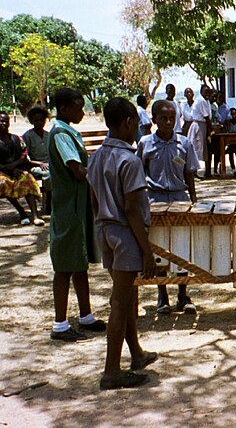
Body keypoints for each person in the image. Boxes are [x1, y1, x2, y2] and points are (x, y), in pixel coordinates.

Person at [87, 97, 158, 390]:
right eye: (136, 124)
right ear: (128, 123)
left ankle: (136, 353)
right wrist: (147, 251)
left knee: (126, 297)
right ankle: (111, 371)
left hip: (104, 230)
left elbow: (93, 199)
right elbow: (131, 210)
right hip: (125, 234)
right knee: (119, 302)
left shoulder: (95, 156)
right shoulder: (129, 159)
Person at [48, 88, 106, 341]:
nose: (82, 112)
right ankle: (60, 324)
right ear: (63, 108)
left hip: (77, 209)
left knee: (79, 263)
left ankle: (86, 315)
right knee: (64, 267)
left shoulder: (68, 131)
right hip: (68, 209)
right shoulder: (60, 133)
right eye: (78, 107)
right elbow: (77, 170)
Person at [136, 100, 200, 315]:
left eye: (172, 118)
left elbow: (189, 173)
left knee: (182, 247)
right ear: (153, 120)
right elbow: (139, 173)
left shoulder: (184, 143)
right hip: (154, 201)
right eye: (163, 118)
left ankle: (183, 294)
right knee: (158, 249)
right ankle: (162, 295)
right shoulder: (145, 143)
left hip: (180, 199)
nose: (168, 122)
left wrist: (193, 200)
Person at [0, 111, 43, 226]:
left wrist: (15, 166)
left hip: (18, 170)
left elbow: (24, 154)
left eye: (6, 121)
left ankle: (35, 216)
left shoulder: (16, 138)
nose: (4, 124)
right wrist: (7, 168)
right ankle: (22, 212)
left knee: (27, 179)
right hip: (2, 172)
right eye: (1, 121)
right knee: (2, 183)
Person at [22, 107, 52, 214]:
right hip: (35, 166)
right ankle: (48, 200)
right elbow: (24, 157)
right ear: (32, 121)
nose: (39, 123)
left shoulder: (49, 135)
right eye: (36, 120)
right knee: (48, 174)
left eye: (41, 120)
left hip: (49, 164)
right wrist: (39, 163)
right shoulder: (27, 136)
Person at [189, 84, 213, 177]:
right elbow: (206, 117)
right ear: (201, 92)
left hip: (203, 125)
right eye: (205, 91)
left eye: (208, 92)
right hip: (199, 125)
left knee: (204, 148)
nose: (207, 93)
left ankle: (206, 172)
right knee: (197, 148)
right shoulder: (201, 101)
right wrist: (211, 130)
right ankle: (194, 171)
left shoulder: (206, 101)